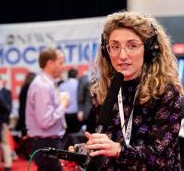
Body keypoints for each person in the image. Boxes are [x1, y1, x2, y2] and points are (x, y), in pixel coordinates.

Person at [70, 11, 184, 170]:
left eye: (132, 46)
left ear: (150, 49)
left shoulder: (166, 92)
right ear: (106, 50)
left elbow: (160, 158)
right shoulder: (102, 92)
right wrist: (83, 158)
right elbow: (105, 154)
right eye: (115, 46)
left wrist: (118, 150)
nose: (122, 55)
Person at [26, 47, 69, 171]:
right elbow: (45, 121)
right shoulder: (43, 86)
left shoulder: (46, 83)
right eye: (60, 62)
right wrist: (62, 105)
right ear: (50, 63)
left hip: (47, 142)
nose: (63, 66)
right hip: (45, 142)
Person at [59, 68, 81, 134]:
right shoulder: (79, 84)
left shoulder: (62, 85)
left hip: (65, 113)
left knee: (67, 134)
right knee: (76, 135)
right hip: (76, 113)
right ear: (77, 75)